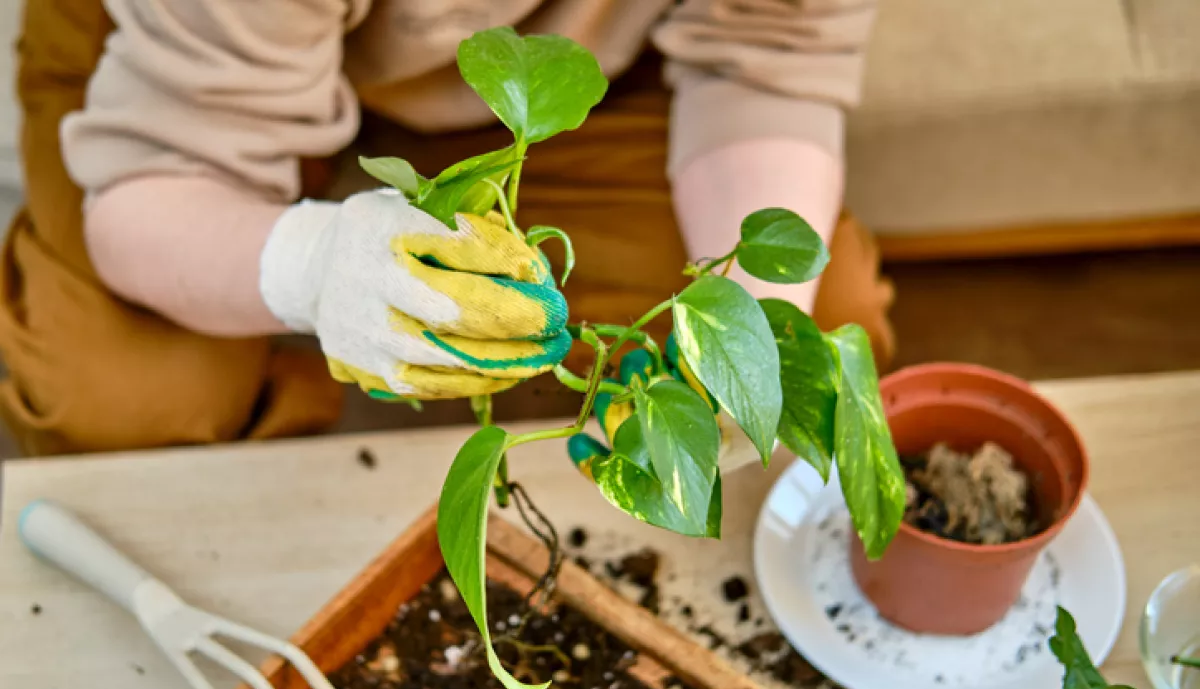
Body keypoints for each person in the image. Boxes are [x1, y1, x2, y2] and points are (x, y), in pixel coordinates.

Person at [1, 0, 894, 456]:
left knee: (813, 325)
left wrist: (744, 319)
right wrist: (315, 269)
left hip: (551, 64)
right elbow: (150, 190)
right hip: (188, 77)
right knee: (126, 396)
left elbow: (768, 62)